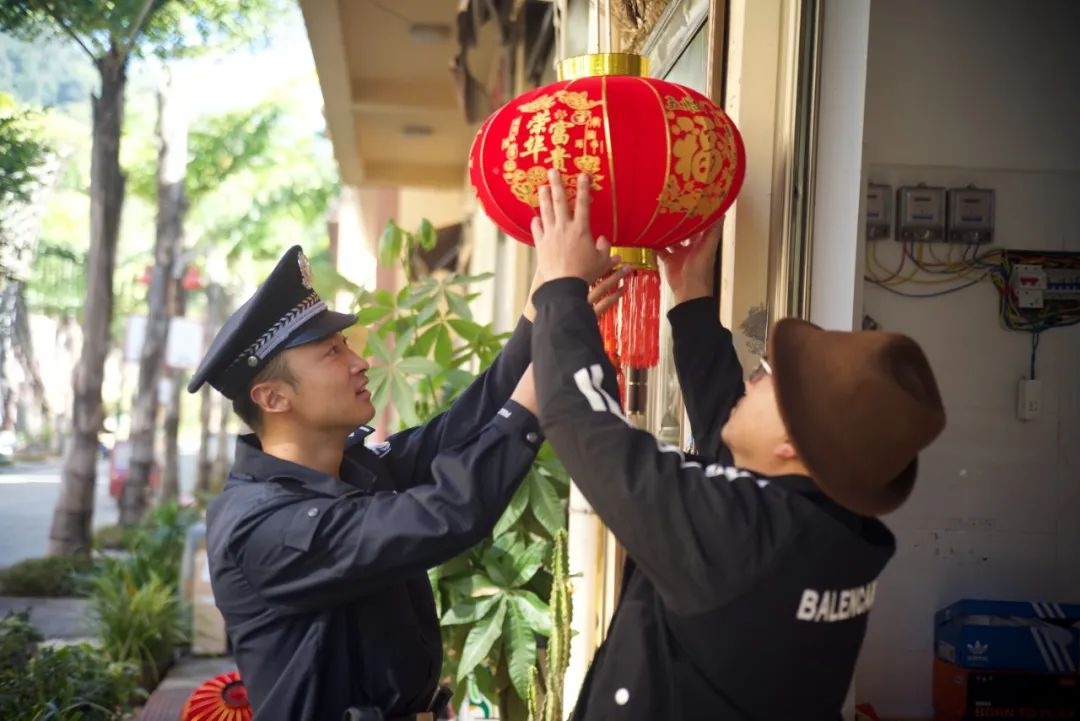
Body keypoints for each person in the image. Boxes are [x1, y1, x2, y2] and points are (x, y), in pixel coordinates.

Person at [527, 171, 946, 720]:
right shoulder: (824, 530)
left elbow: (587, 429)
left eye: (771, 379)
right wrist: (691, 295)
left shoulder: (740, 536)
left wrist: (561, 287)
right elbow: (732, 451)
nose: (754, 380)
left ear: (791, 445)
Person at [187, 245, 619, 721]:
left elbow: (458, 432)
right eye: (332, 352)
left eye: (345, 344)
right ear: (272, 398)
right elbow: (445, 513)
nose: (360, 362)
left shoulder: (348, 470)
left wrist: (543, 307)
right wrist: (540, 387)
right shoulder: (262, 526)